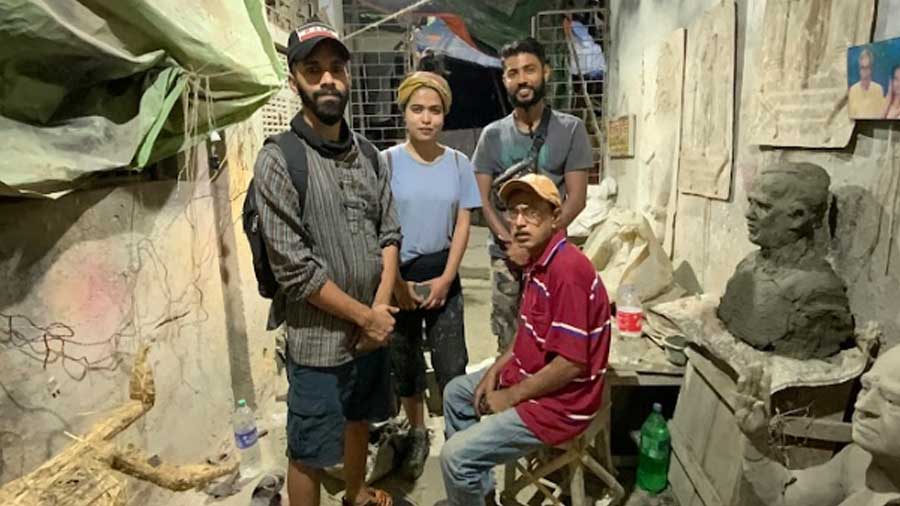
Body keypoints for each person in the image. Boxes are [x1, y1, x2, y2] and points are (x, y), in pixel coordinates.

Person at [252, 21, 405, 506]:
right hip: (318, 339)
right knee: (310, 449)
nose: (327, 80)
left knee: (358, 418)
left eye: (336, 69)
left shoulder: (369, 155)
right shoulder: (279, 160)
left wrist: (378, 313)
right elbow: (294, 270)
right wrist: (366, 318)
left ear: (348, 76)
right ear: (294, 78)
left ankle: (356, 492)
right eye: (313, 69)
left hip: (370, 333)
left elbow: (390, 232)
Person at [439, 174, 612, 506]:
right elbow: (526, 330)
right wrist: (494, 371)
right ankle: (477, 493)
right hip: (529, 375)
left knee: (454, 457)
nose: (519, 222)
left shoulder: (568, 271)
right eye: (514, 211)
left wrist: (511, 396)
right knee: (455, 394)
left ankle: (466, 482)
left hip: (561, 403)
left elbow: (571, 364)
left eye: (532, 212)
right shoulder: (539, 260)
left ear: (554, 217)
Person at [382, 71, 481, 480]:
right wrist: (398, 286)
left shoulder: (459, 163)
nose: (426, 118)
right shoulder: (385, 162)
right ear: (403, 112)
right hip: (398, 277)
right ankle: (418, 434)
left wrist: (447, 277)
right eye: (417, 109)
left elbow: (463, 222)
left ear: (445, 115)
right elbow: (378, 224)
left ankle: (460, 443)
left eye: (435, 110)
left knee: (451, 363)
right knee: (403, 363)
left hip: (443, 273)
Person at [472, 37, 593, 353]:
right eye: (513, 73)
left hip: (554, 253)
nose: (522, 79)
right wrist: (512, 244)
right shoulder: (492, 136)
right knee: (508, 336)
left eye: (529, 69)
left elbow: (577, 198)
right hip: (506, 254)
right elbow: (483, 200)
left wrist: (541, 240)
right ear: (504, 79)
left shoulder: (571, 130)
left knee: (555, 333)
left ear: (546, 73)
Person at [736, 345, 900, 505]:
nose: (862, 405)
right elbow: (786, 497)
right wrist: (757, 439)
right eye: (866, 387)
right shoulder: (860, 459)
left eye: (891, 400)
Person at [848, 48, 886, 119]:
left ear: (871, 69)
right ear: (859, 69)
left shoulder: (878, 89)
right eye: (862, 67)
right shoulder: (853, 90)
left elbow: (881, 116)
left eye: (867, 67)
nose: (865, 72)